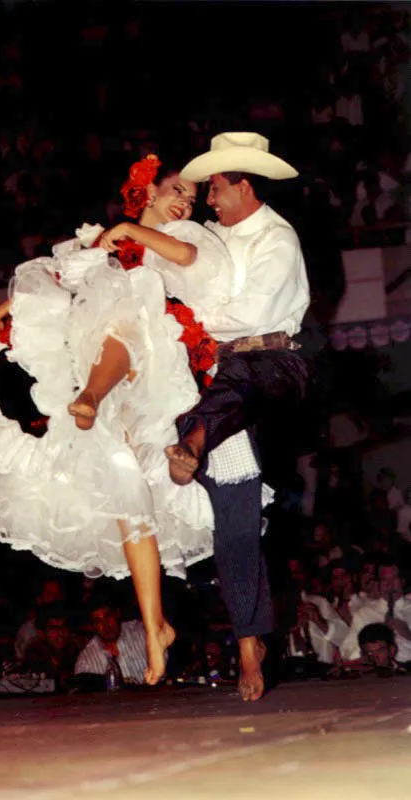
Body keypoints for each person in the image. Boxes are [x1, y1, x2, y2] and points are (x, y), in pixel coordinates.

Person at [0, 155, 242, 686]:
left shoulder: (175, 239)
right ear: (146, 189)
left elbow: (188, 254)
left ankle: (92, 395)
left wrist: (131, 232)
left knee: (130, 310)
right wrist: (4, 314)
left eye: (192, 199)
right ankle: (156, 627)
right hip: (91, 369)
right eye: (176, 190)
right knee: (126, 483)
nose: (184, 202)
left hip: (149, 370)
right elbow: (49, 283)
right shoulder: (99, 245)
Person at [161, 132, 310, 700]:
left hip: (271, 365)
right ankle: (250, 638)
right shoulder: (208, 238)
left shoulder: (277, 239)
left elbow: (248, 317)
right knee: (235, 528)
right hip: (214, 383)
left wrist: (191, 321)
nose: (209, 199)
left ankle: (195, 440)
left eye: (217, 189)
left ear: (243, 186)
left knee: (241, 373)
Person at [74, 596, 148, 686]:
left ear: (117, 614)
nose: (105, 625)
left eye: (108, 616)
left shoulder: (142, 633)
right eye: (98, 621)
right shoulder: (86, 661)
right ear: (92, 626)